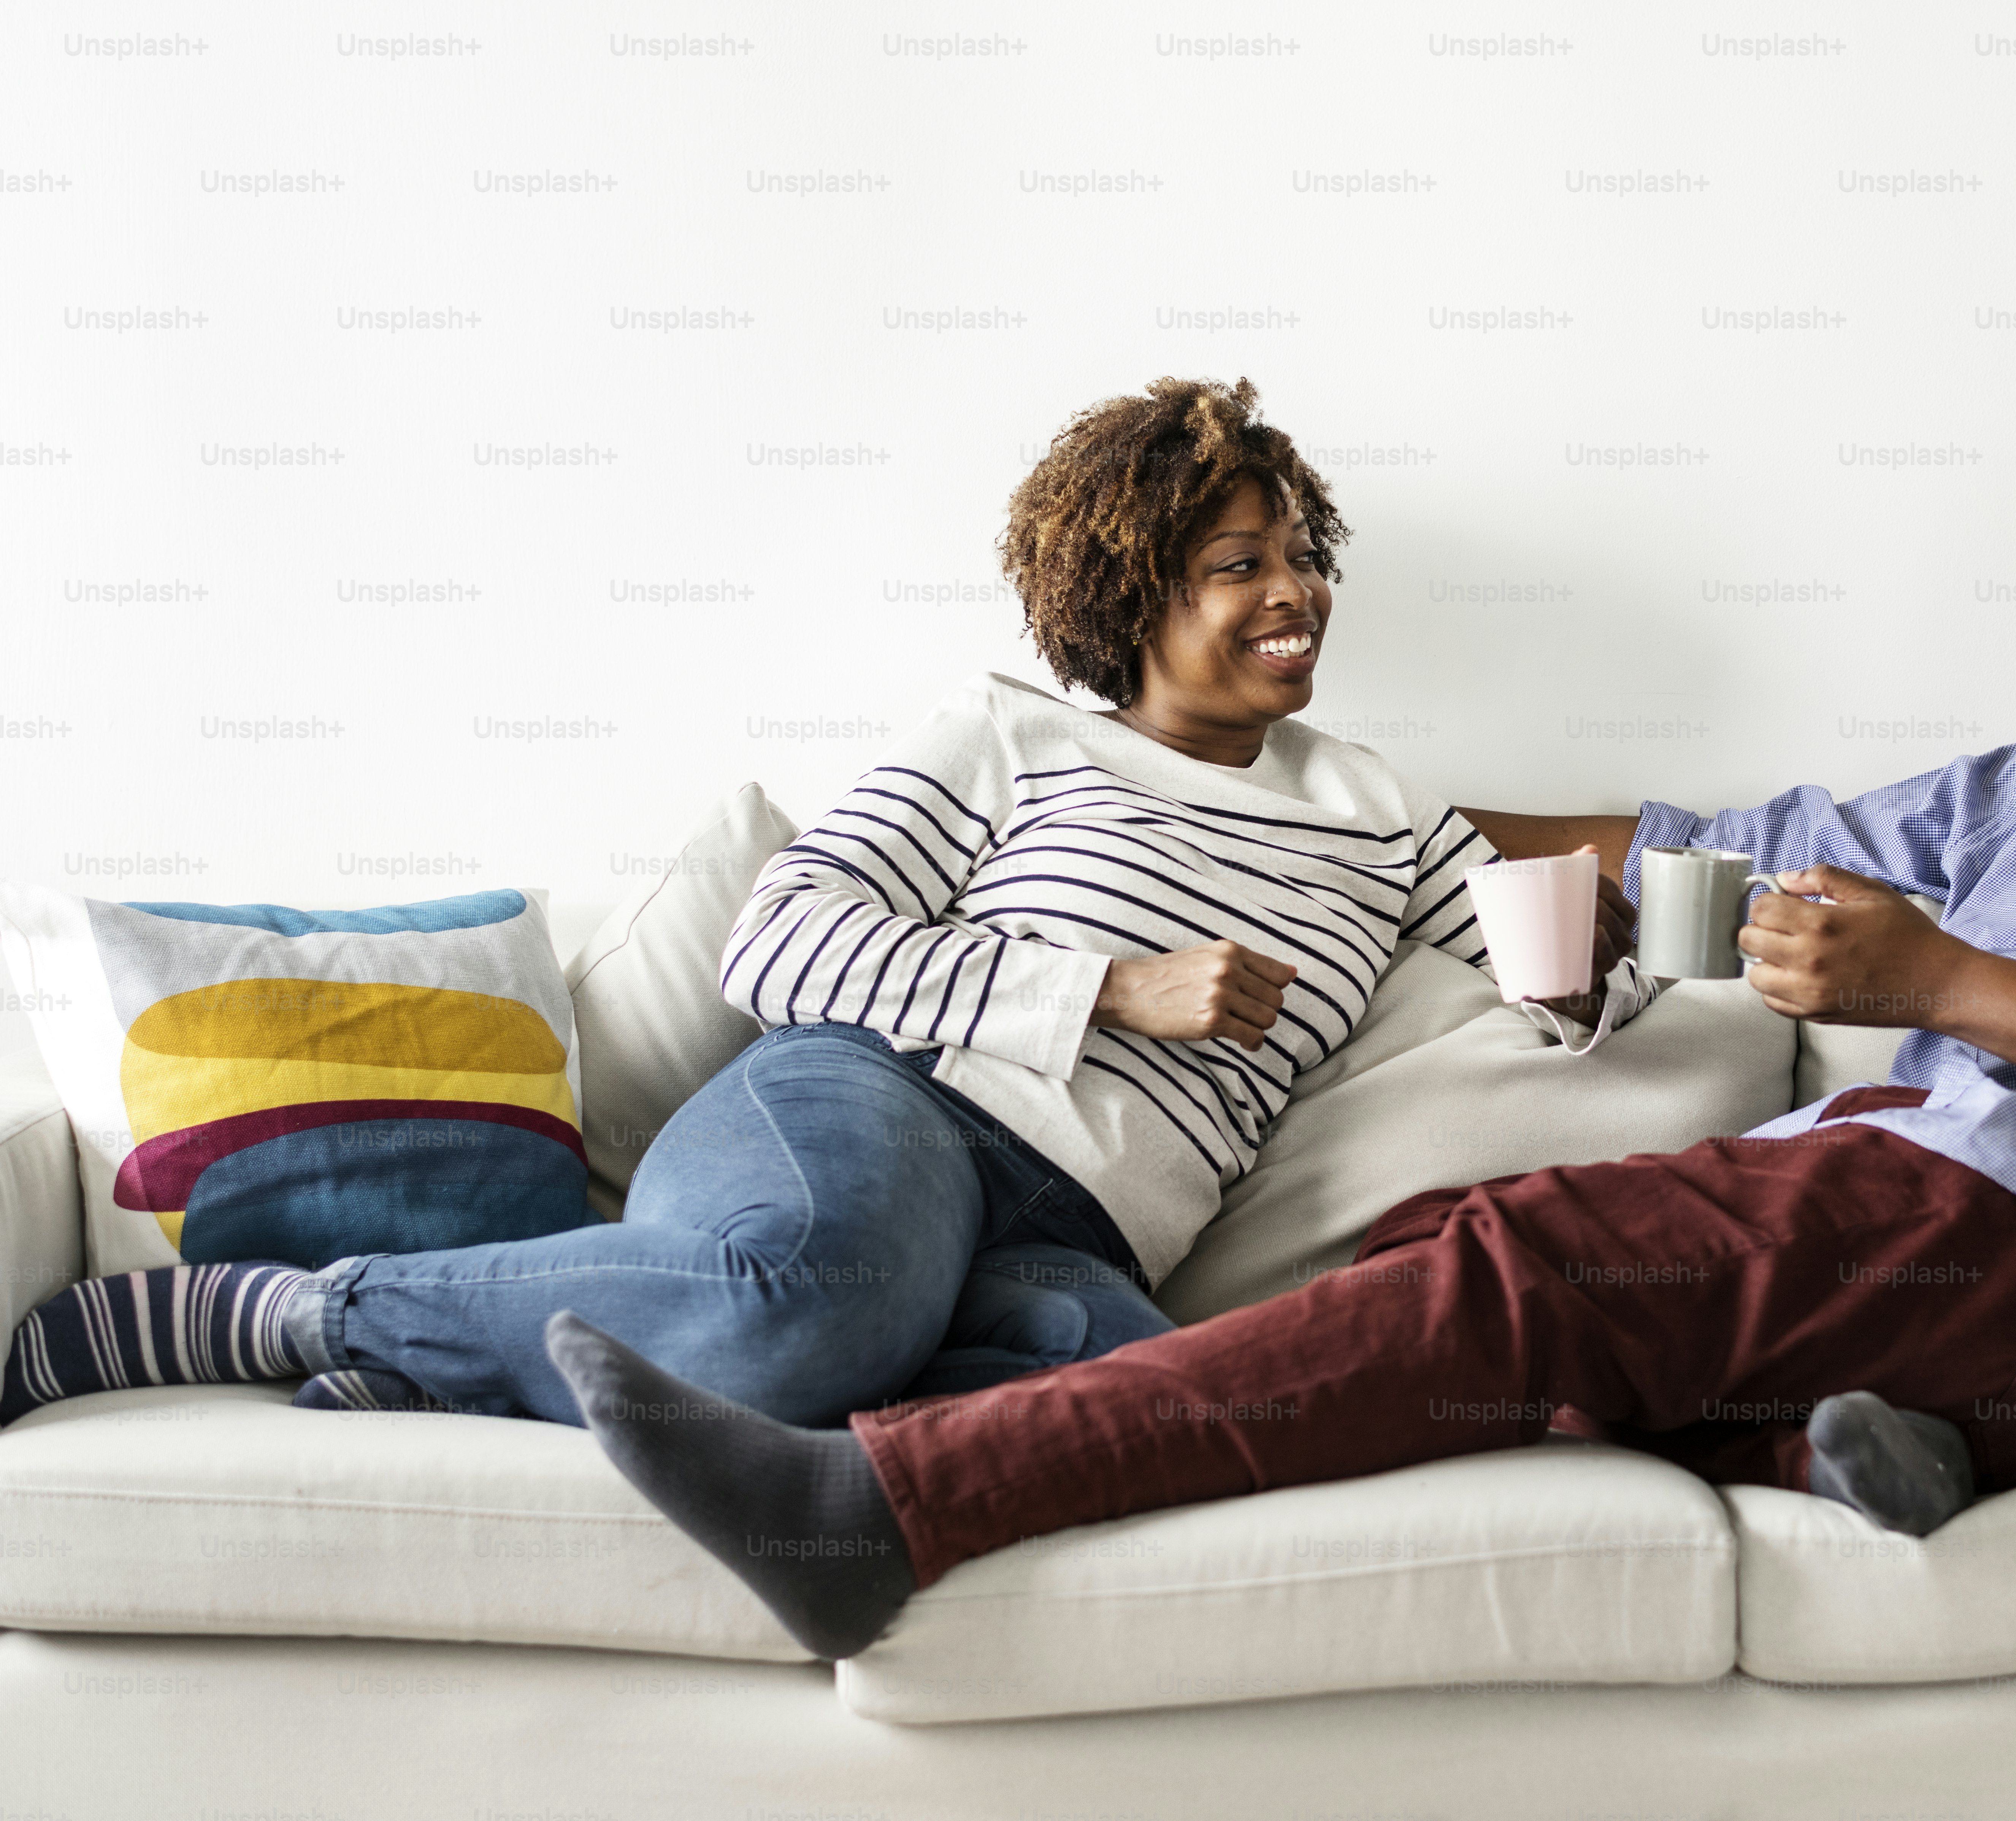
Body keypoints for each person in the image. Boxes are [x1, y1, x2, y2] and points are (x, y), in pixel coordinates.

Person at [533, 430, 2016, 1663]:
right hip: (1967, 1234)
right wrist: (1371, 818)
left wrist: (1944, 984)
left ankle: (877, 1510)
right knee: (1532, 1285)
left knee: (1526, 1270)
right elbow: (1745, 848)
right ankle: (1858, 1441)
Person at [0, 377, 1647, 1430]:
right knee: (808, 1299)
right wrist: (1108, 990)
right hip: (877, 1108)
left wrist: (1592, 987)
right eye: (1236, 563)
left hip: (1086, 1230)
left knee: (1166, 1418)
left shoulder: (1386, 813)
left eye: (1298, 553)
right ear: (1133, 591)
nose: (1292, 591)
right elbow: (779, 942)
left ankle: (487, 1372)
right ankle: (288, 1307)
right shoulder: (1011, 735)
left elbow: (1540, 965)